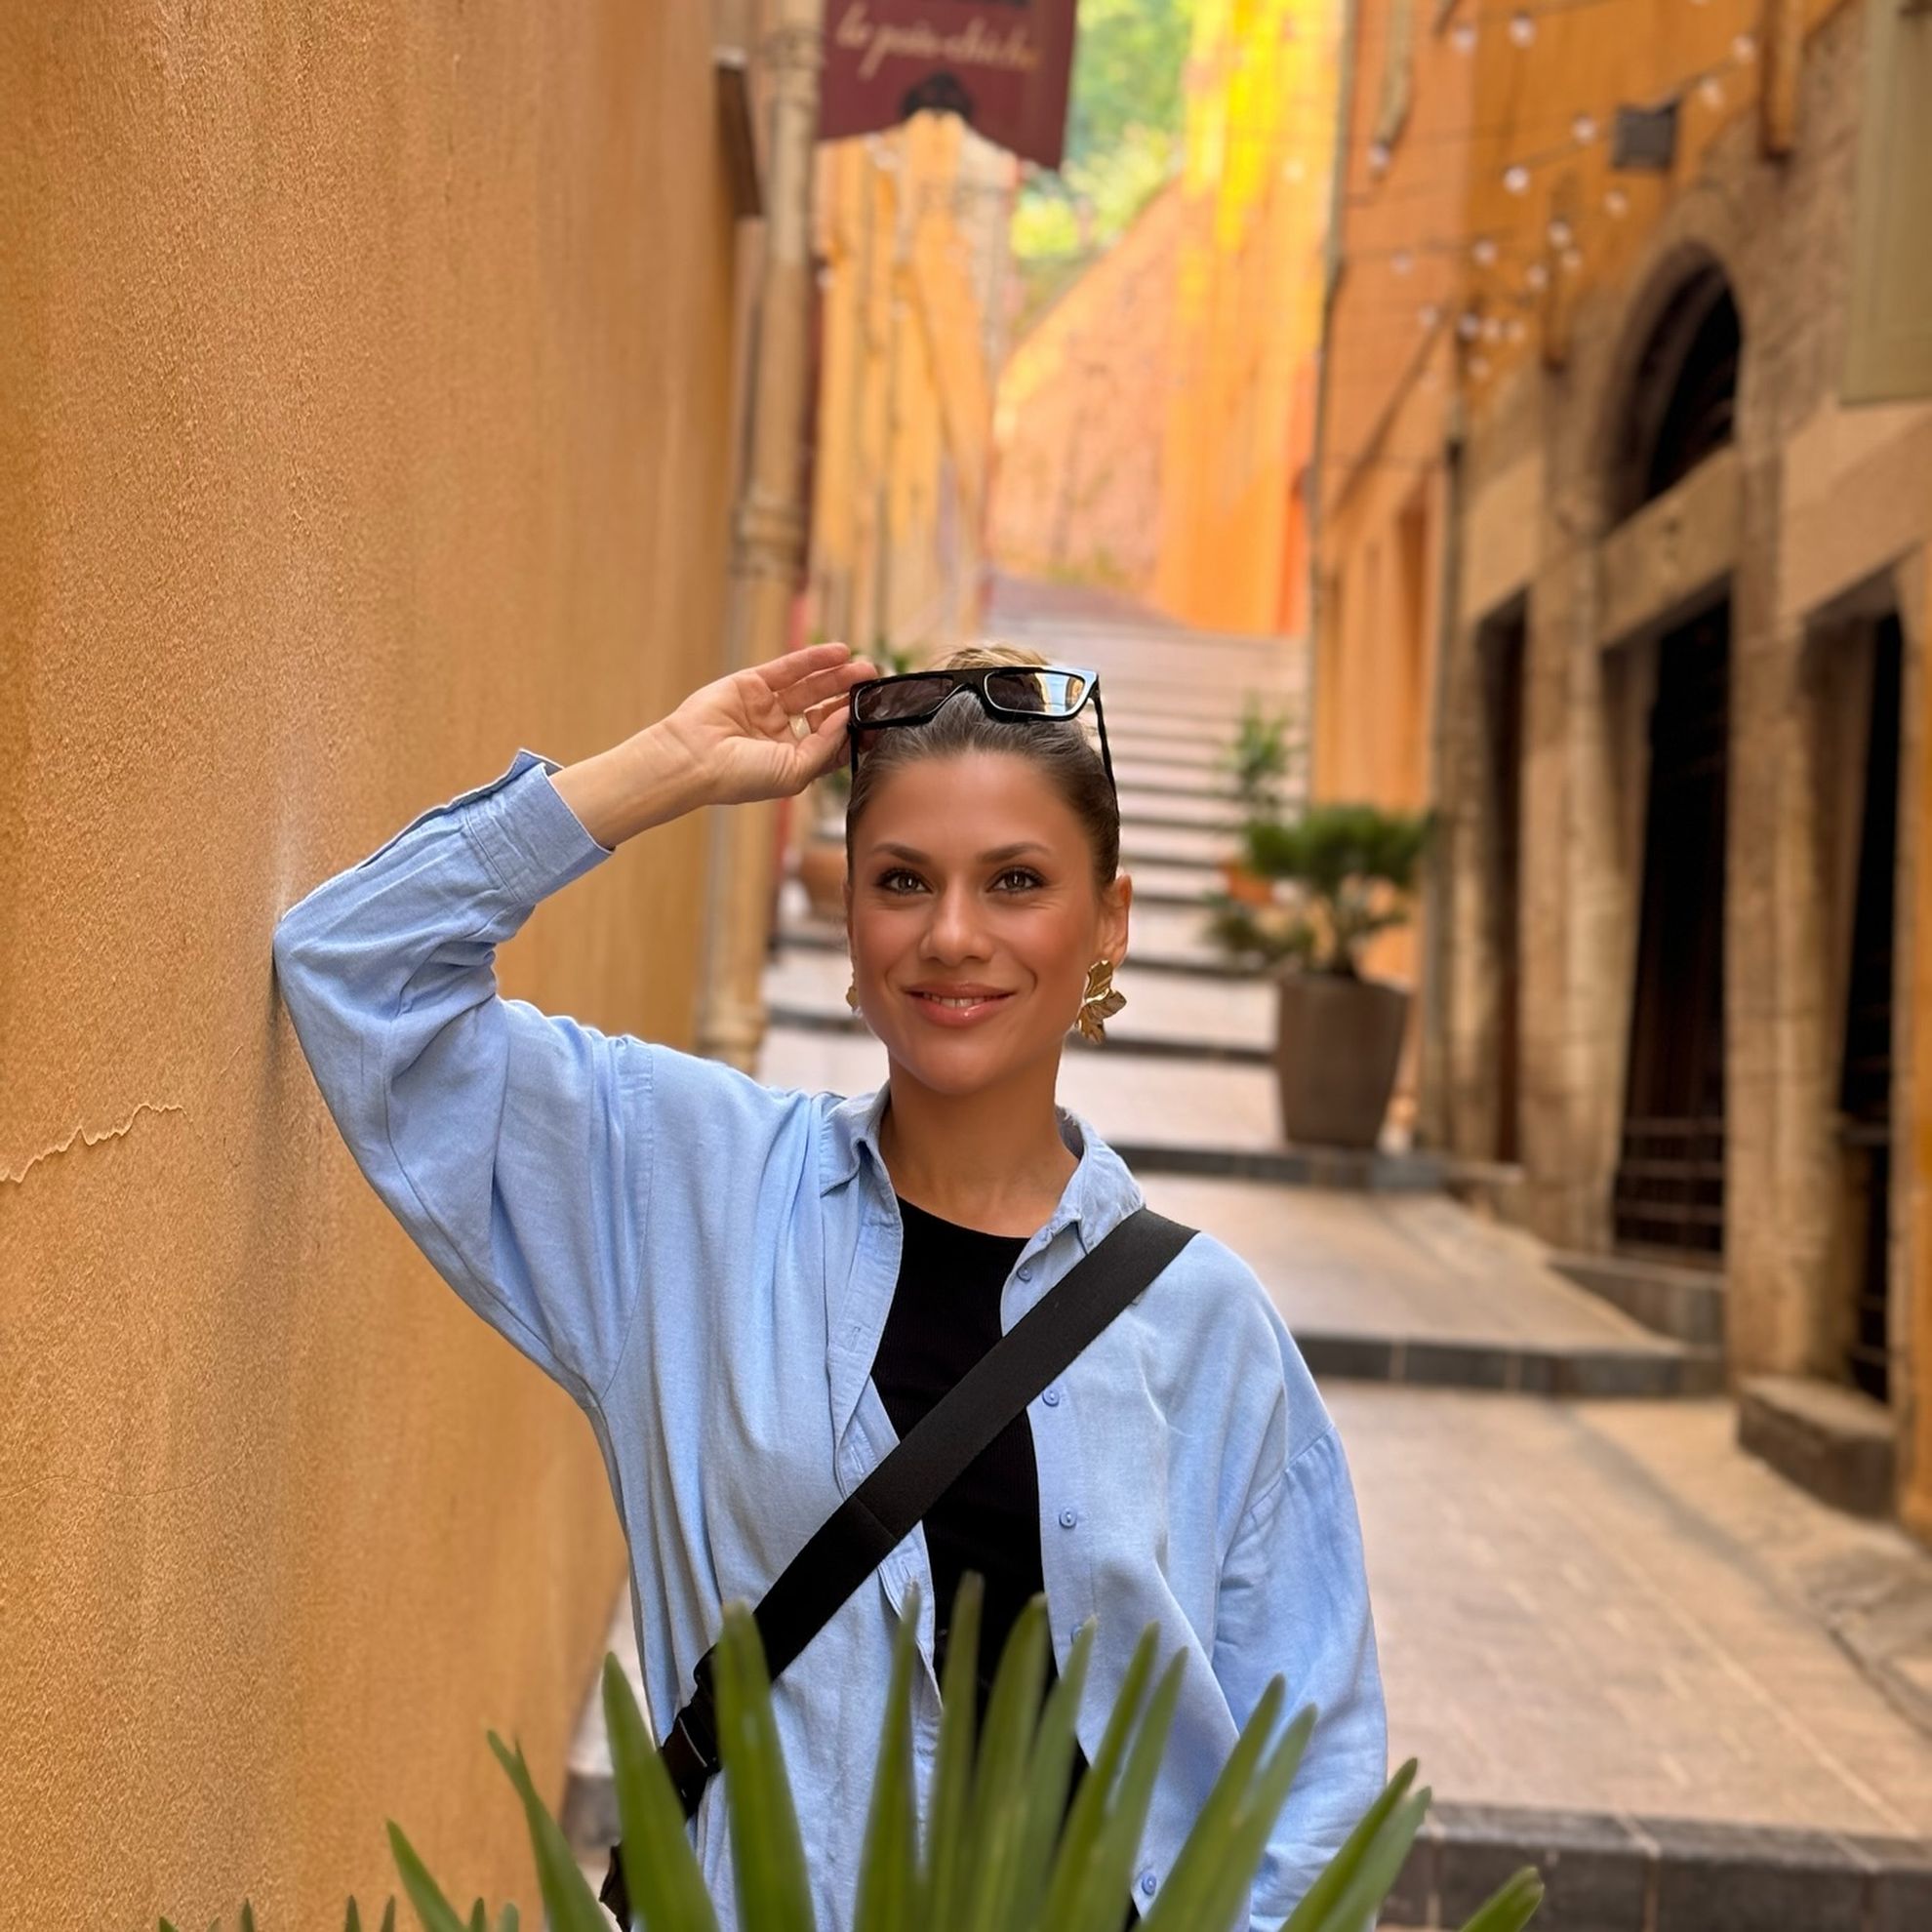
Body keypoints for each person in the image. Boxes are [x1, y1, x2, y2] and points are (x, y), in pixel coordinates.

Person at [271, 637, 1387, 1929]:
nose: (953, 935)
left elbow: (1313, 1805)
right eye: (902, 880)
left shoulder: (1210, 1330)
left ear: (1109, 921)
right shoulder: (685, 1188)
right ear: (848, 915)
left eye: (1017, 881)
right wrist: (665, 769)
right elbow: (356, 969)